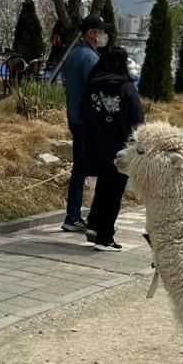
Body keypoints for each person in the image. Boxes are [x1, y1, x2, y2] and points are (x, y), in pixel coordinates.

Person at [81, 47, 144, 251]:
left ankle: (93, 226)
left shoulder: (92, 86)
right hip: (120, 149)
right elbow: (138, 120)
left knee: (102, 187)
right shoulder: (127, 88)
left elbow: (83, 113)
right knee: (114, 192)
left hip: (95, 145)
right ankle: (105, 237)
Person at [61, 14, 109, 233]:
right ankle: (82, 217)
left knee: (79, 168)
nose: (103, 36)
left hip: (74, 117)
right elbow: (98, 90)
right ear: (91, 33)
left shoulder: (73, 55)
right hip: (89, 121)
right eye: (101, 32)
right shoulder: (90, 58)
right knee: (99, 169)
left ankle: (73, 215)